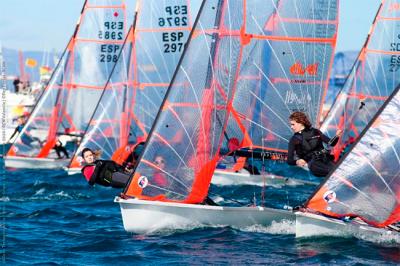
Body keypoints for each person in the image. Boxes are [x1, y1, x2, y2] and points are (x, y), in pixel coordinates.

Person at [287, 111, 342, 177]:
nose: (291, 127)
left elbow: (331, 143)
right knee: (334, 172)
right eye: (291, 125)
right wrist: (297, 162)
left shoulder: (315, 131)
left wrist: (337, 136)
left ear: (300, 123)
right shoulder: (294, 139)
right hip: (314, 164)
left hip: (326, 159)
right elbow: (289, 160)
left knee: (341, 172)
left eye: (293, 124)